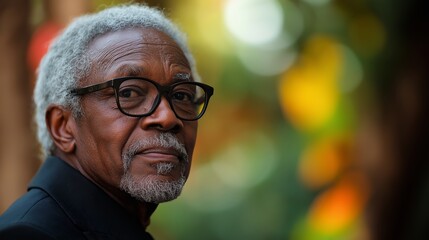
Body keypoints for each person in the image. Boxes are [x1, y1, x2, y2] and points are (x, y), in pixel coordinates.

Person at [0, 4, 213, 240]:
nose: (168, 117)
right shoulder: (30, 234)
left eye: (181, 96)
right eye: (129, 93)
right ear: (63, 127)